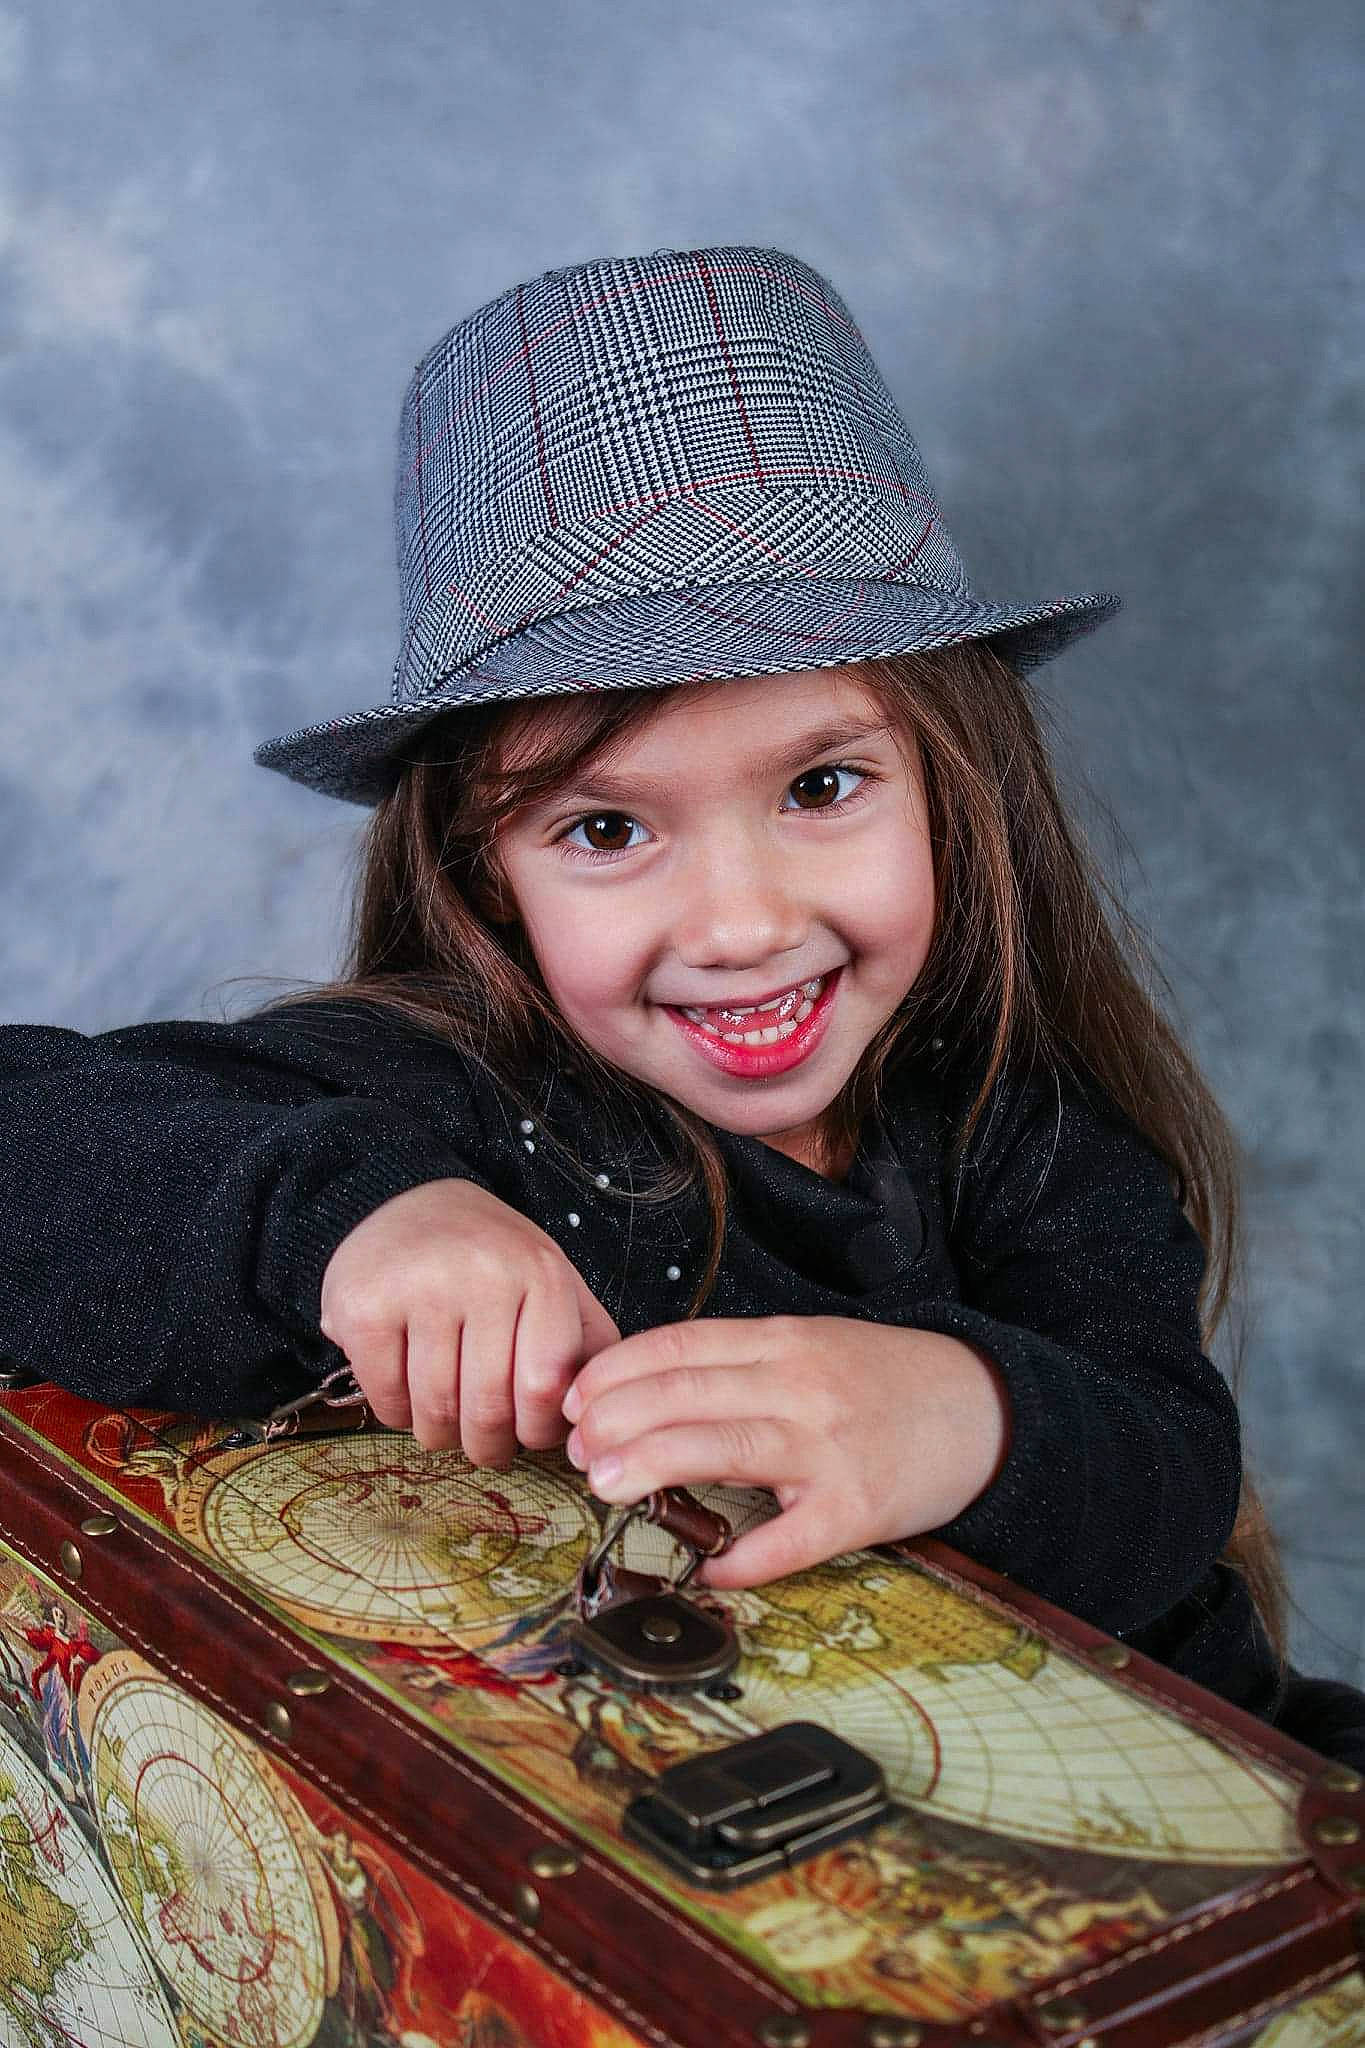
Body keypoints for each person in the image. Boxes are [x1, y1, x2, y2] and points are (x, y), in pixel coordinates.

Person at [1, 245, 1361, 1769]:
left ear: (954, 788)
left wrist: (965, 1416)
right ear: (486, 873)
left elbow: (1169, 1465)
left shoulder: (1015, 1128)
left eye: (822, 787)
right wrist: (353, 1220)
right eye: (604, 830)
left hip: (1203, 1778)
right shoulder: (454, 1096)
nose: (739, 925)